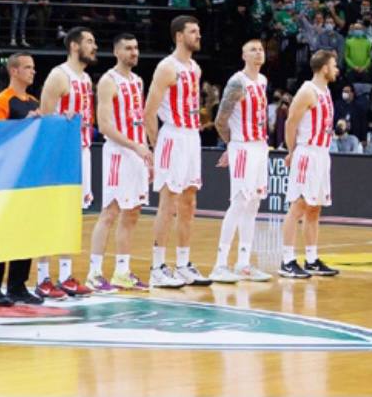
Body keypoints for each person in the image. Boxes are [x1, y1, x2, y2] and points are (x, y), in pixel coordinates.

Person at [144, 15, 211, 288]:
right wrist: (155, 147)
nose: (198, 35)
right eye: (193, 31)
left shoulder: (195, 68)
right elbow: (149, 111)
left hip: (192, 137)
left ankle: (183, 264)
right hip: (172, 135)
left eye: (199, 31)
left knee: (189, 202)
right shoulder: (166, 67)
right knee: (168, 202)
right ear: (179, 36)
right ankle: (157, 266)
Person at [85, 33, 152, 292]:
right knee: (110, 212)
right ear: (116, 52)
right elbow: (104, 126)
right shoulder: (108, 81)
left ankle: (122, 272)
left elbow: (139, 120)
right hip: (117, 153)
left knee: (132, 212)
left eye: (136, 48)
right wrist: (134, 146)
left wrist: (146, 151)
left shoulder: (138, 81)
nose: (134, 52)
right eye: (128, 48)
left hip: (137, 153)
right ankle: (94, 273)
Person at [36, 26, 97, 298]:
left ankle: (65, 276)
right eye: (89, 41)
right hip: (59, 154)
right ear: (74, 45)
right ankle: (42, 278)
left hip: (81, 151)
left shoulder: (86, 78)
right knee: (50, 214)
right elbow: (44, 120)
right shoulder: (59, 76)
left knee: (72, 215)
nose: (94, 46)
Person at [0, 52, 44, 306]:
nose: (33, 71)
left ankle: (18, 285)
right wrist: (22, 125)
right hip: (5, 177)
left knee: (25, 231)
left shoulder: (33, 102)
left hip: (27, 177)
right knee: (1, 233)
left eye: (33, 67)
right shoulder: (2, 100)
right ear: (14, 71)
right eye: (27, 67)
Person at [208, 39, 273, 284]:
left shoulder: (263, 81)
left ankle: (243, 263)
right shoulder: (237, 82)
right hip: (243, 147)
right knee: (238, 203)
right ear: (243, 55)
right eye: (252, 50)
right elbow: (220, 120)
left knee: (254, 204)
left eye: (261, 49)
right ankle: (219, 264)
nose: (258, 53)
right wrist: (231, 145)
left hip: (260, 146)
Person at [279, 49, 340, 278]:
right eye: (333, 65)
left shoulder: (326, 91)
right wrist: (292, 151)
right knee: (298, 206)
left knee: (315, 208)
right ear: (324, 68)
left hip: (322, 154)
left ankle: (312, 260)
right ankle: (287, 260)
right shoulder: (307, 91)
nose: (336, 70)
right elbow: (290, 123)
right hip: (307, 153)